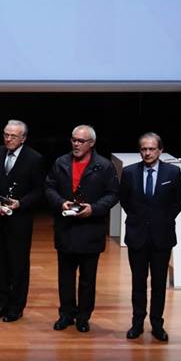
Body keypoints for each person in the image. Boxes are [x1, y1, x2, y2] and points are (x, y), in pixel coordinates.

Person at [45, 124, 119, 333]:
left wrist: (93, 209)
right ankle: (66, 314)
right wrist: (61, 202)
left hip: (90, 229)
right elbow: (49, 188)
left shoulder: (104, 166)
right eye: (74, 140)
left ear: (91, 143)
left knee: (88, 279)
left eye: (81, 141)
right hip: (66, 228)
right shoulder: (61, 162)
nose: (76, 144)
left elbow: (113, 194)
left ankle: (83, 317)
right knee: (65, 277)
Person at [119, 132, 181, 342]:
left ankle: (157, 324)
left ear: (160, 150)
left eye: (151, 149)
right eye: (144, 149)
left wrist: (162, 219)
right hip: (137, 235)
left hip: (162, 236)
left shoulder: (173, 172)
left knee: (158, 284)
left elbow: (178, 202)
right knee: (138, 283)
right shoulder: (129, 172)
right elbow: (125, 200)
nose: (147, 153)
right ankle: (137, 323)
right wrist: (139, 219)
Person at [0, 120, 44, 322]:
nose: (8, 139)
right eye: (6, 135)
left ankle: (16, 307)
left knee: (18, 265)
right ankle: (2, 304)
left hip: (19, 221)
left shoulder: (34, 158)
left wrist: (21, 203)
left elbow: (39, 191)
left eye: (13, 136)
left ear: (23, 138)